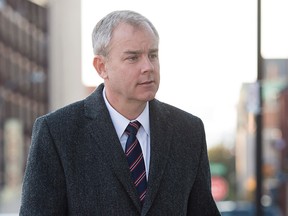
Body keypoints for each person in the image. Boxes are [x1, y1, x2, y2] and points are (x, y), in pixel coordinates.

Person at [20, 10, 220, 215]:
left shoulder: (188, 131)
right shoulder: (57, 133)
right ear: (101, 67)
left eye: (153, 55)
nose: (148, 67)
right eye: (133, 58)